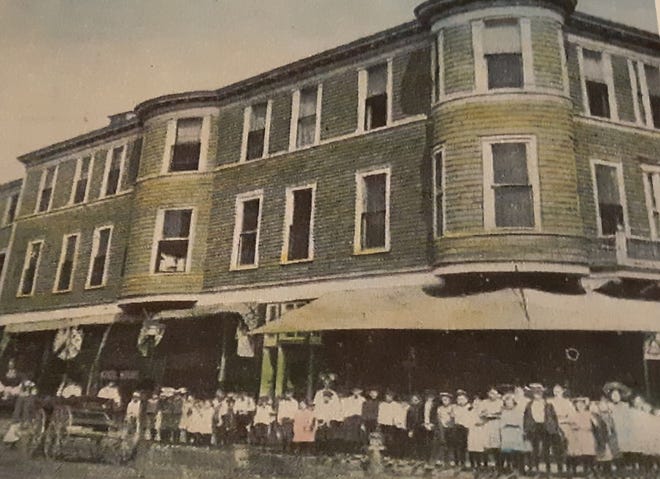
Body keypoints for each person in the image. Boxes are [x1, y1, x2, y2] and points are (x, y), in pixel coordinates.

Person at [523, 383, 560, 475]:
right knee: (535, 449)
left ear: (542, 394)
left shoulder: (548, 405)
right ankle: (536, 468)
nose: (537, 395)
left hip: (545, 427)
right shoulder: (529, 405)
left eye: (539, 393)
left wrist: (554, 428)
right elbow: (526, 417)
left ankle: (548, 469)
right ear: (532, 394)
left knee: (546, 448)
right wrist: (526, 428)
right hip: (534, 427)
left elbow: (554, 417)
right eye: (535, 393)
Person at [548, 384, 575, 474]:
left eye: (558, 391)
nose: (557, 393)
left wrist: (563, 421)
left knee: (566, 448)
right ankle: (560, 469)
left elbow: (572, 415)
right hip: (554, 427)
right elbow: (548, 416)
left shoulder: (567, 402)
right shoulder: (550, 402)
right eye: (555, 391)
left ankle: (568, 469)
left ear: (563, 391)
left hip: (566, 426)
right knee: (557, 449)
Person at [567, 397, 596, 476]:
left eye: (582, 404)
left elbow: (594, 425)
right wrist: (575, 427)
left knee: (588, 454)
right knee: (575, 454)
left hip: (587, 436)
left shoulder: (589, 413)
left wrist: (584, 427)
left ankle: (588, 470)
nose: (580, 406)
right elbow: (571, 425)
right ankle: (574, 471)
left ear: (585, 405)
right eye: (578, 404)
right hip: (576, 436)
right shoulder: (573, 414)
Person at [499, 393, 526, 475]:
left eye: (510, 401)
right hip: (506, 432)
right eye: (506, 402)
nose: (508, 403)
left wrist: (521, 431)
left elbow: (520, 422)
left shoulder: (518, 411)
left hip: (516, 432)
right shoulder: (503, 411)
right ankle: (509, 468)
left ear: (513, 402)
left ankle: (519, 469)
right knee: (507, 452)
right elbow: (502, 423)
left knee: (518, 452)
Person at [480, 387, 503, 470]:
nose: (492, 395)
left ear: (498, 394)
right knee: (486, 445)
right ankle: (487, 465)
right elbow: (481, 413)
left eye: (494, 393)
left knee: (497, 445)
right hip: (487, 425)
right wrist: (486, 415)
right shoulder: (484, 402)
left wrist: (493, 415)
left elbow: (503, 413)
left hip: (497, 425)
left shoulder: (501, 402)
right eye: (491, 393)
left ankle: (499, 465)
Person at [341, 387, 365, 453]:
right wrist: (344, 417)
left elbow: (363, 410)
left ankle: (357, 448)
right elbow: (345, 409)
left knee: (358, 433)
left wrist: (362, 419)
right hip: (350, 417)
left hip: (359, 417)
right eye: (355, 391)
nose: (356, 393)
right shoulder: (348, 399)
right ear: (352, 392)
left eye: (358, 391)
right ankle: (349, 449)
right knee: (350, 433)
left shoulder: (363, 399)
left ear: (360, 392)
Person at [452, 390, 471, 470]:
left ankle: (465, 462)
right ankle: (457, 462)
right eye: (459, 399)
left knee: (465, 446)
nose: (460, 401)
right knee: (456, 446)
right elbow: (452, 416)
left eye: (462, 399)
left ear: (466, 399)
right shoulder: (455, 407)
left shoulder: (470, 407)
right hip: (457, 427)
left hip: (467, 428)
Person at [435, 392, 455, 467]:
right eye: (443, 400)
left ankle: (451, 460)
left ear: (450, 400)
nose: (445, 401)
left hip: (451, 427)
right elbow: (438, 417)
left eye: (446, 399)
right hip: (442, 427)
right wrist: (442, 423)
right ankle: (440, 459)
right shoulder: (440, 408)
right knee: (442, 442)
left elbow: (454, 417)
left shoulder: (452, 407)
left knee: (450, 444)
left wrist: (450, 421)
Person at [378, 390, 401, 457]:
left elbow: (397, 415)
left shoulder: (396, 405)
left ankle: (391, 455)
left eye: (390, 396)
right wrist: (379, 422)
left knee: (391, 440)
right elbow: (380, 414)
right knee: (383, 439)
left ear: (392, 397)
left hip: (392, 425)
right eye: (387, 396)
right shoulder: (382, 404)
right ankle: (384, 454)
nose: (388, 398)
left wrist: (397, 423)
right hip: (383, 424)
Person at [406, 394, 425, 459]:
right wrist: (409, 429)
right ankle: (413, 456)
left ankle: (421, 456)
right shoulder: (410, 409)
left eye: (416, 400)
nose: (415, 401)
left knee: (420, 442)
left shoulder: (422, 408)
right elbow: (408, 420)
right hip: (412, 428)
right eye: (413, 400)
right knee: (412, 442)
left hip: (420, 428)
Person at [421, 389, 438, 462]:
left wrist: (432, 424)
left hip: (432, 425)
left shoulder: (435, 406)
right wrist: (423, 423)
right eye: (428, 396)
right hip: (424, 425)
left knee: (432, 443)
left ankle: (432, 459)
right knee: (424, 443)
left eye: (431, 396)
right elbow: (420, 415)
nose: (429, 398)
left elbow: (436, 416)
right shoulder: (422, 405)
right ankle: (425, 459)